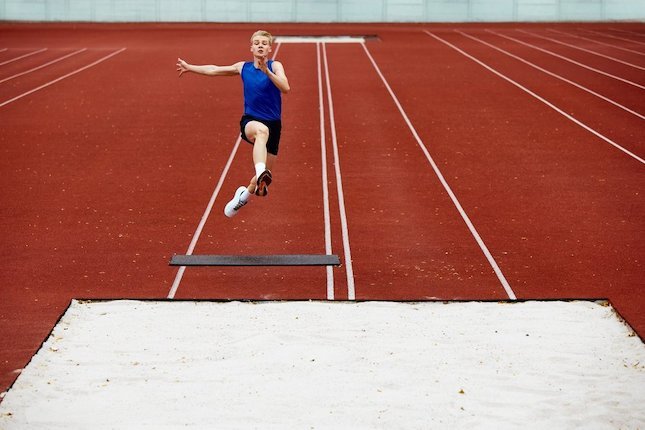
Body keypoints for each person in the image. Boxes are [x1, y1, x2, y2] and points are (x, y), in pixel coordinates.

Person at [176, 30, 290, 218]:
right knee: (261, 132)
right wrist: (190, 67)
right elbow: (214, 69)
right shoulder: (242, 67)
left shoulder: (275, 65)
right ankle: (260, 171)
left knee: (263, 179)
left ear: (270, 48)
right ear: (251, 47)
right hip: (252, 121)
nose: (260, 45)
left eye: (264, 43)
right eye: (257, 42)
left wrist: (267, 72)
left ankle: (243, 196)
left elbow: (285, 88)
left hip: (274, 125)